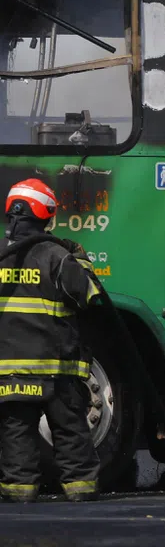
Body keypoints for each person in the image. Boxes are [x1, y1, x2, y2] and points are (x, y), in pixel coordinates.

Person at [0, 179, 101, 502]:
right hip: (59, 370)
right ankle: (81, 491)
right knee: (71, 431)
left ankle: (20, 494)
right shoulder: (56, 256)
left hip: (12, 370)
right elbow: (89, 297)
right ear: (46, 213)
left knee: (16, 435)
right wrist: (81, 260)